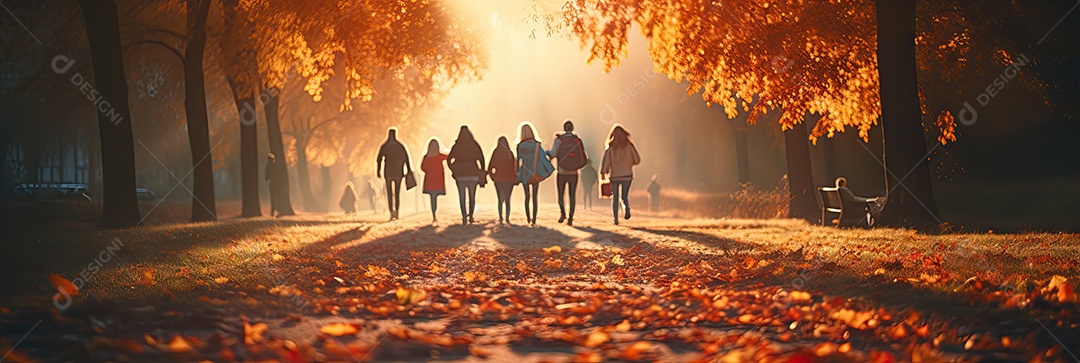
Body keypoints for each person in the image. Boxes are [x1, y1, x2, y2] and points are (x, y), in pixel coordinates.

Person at [546, 119, 589, 226]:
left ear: (564, 128)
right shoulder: (577, 140)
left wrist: (546, 152)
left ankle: (563, 214)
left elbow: (553, 154)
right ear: (572, 128)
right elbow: (584, 156)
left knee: (560, 195)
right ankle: (570, 217)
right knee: (572, 195)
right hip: (574, 172)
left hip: (561, 171)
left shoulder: (559, 140)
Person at [600, 124, 641, 225]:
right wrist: (629, 163)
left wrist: (603, 173)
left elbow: (605, 162)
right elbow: (637, 160)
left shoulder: (610, 147)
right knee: (624, 196)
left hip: (614, 176)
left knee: (615, 197)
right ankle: (626, 208)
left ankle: (616, 219)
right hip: (627, 175)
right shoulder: (629, 146)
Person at [447, 126, 486, 225]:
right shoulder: (474, 144)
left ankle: (464, 216)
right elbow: (481, 158)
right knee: (472, 196)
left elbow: (449, 159)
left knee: (462, 196)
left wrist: (453, 169)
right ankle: (471, 215)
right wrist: (481, 170)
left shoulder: (457, 145)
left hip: (460, 175)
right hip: (473, 174)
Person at [376, 128, 413, 221]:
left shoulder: (385, 145)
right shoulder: (400, 145)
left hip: (388, 172)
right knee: (397, 193)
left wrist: (378, 171)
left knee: (389, 193)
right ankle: (397, 212)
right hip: (398, 172)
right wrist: (408, 170)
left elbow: (379, 159)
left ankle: (390, 212)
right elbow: (406, 158)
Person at [515, 122, 545, 226]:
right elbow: (542, 158)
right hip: (535, 172)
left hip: (524, 173)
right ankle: (534, 219)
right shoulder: (537, 145)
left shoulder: (520, 146)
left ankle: (528, 218)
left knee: (527, 197)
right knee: (535, 197)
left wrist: (516, 173)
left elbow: (518, 161)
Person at [488, 136, 517, 225]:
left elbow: (490, 167)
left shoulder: (496, 153)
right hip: (509, 179)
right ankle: (507, 218)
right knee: (508, 200)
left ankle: (501, 217)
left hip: (498, 180)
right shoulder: (510, 153)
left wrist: (493, 177)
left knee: (500, 200)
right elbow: (515, 167)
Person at [420, 138, 448, 224]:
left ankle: (433, 213)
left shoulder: (426, 157)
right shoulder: (439, 156)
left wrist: (429, 171)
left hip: (429, 180)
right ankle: (434, 213)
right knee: (435, 196)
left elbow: (422, 167)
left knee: (432, 197)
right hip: (438, 180)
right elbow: (449, 156)